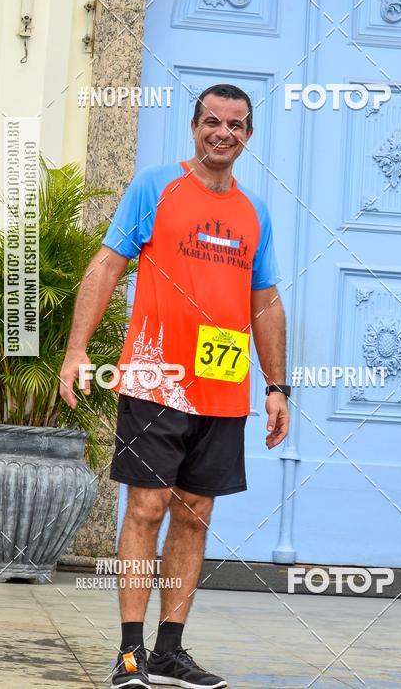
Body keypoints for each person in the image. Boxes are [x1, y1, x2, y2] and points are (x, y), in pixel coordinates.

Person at [59, 84, 290, 689]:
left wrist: (278, 386)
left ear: (248, 136)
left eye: (236, 125)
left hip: (221, 385)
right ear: (194, 127)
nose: (224, 133)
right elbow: (107, 265)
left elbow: (265, 303)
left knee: (195, 515)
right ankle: (130, 652)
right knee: (146, 507)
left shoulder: (254, 212)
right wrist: (77, 350)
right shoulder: (156, 187)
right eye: (213, 121)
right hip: (156, 377)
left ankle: (169, 650)